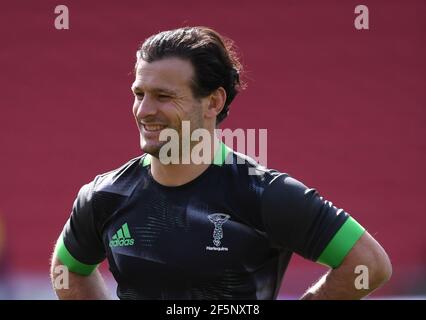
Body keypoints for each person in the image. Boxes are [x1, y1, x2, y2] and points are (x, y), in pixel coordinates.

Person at [50, 26, 391, 300]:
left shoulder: (265, 194)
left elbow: (369, 264)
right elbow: (67, 270)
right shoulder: (104, 196)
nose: (145, 110)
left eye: (164, 96)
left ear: (213, 101)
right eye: (139, 94)